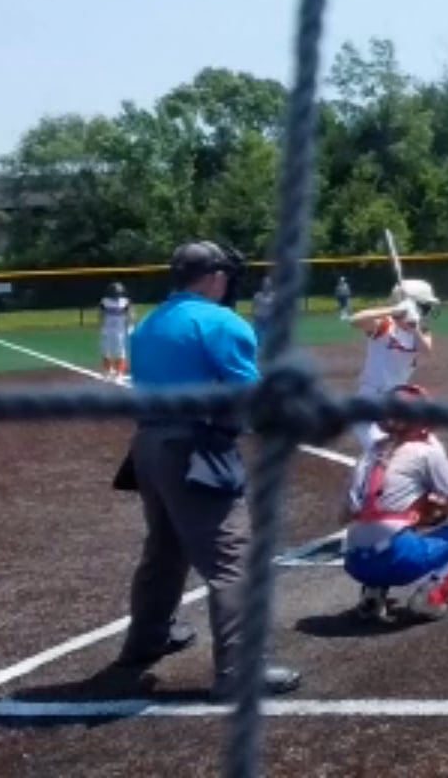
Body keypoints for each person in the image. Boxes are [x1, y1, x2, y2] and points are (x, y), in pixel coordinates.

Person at [113, 241, 301, 700]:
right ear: (214, 277)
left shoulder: (150, 323)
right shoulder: (219, 322)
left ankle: (147, 639)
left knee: (165, 548)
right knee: (234, 559)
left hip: (148, 447)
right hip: (193, 447)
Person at [343, 384, 448, 623]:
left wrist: (414, 511)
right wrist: (432, 510)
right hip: (399, 561)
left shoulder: (368, 454)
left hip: (355, 563)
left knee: (381, 526)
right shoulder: (426, 452)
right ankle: (431, 598)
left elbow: (346, 514)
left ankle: (372, 597)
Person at [348, 280, 438, 454]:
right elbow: (355, 320)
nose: (427, 311)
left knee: (414, 448)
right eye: (425, 306)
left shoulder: (422, 330)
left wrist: (414, 327)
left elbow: (426, 350)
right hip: (370, 398)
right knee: (382, 451)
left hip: (397, 399)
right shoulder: (385, 325)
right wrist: (394, 310)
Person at [98, 281, 134, 383]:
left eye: (118, 294)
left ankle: (120, 374)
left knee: (120, 353)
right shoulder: (104, 301)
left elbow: (130, 314)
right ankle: (108, 371)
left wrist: (130, 326)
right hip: (107, 329)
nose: (116, 296)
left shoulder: (126, 302)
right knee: (106, 352)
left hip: (120, 331)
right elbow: (100, 314)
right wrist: (101, 326)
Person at [249, 276, 277, 345]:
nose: (266, 286)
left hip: (269, 322)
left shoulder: (273, 296)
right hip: (258, 322)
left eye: (268, 284)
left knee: (268, 341)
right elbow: (253, 308)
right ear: (262, 285)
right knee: (257, 340)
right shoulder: (257, 296)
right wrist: (255, 315)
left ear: (270, 286)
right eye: (265, 284)